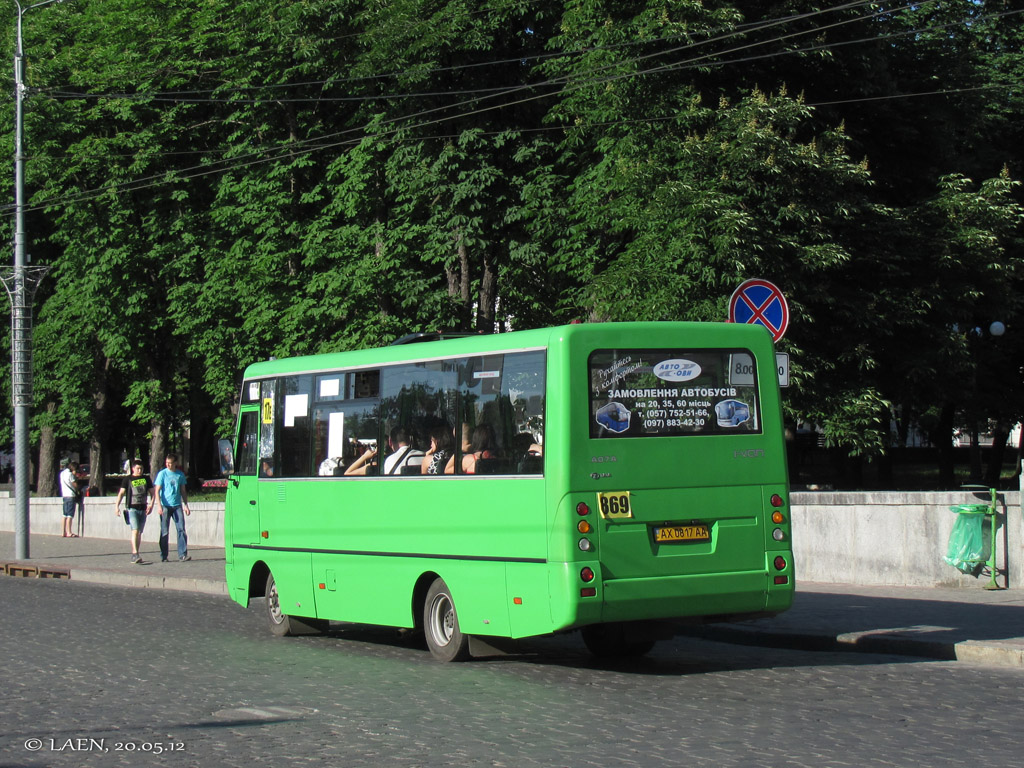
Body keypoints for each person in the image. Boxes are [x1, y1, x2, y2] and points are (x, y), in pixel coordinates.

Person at [114, 460, 154, 564]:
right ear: (133, 468)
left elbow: (152, 493)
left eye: (141, 469)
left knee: (139, 532)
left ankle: (136, 553)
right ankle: (135, 553)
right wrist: (116, 506)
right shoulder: (128, 479)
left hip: (143, 508)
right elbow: (121, 493)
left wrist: (151, 505)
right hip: (132, 508)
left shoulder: (146, 479)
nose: (139, 470)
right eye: (137, 468)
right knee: (135, 530)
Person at [154, 453, 191, 562]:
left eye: (171, 463)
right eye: (167, 463)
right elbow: (157, 491)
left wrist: (186, 505)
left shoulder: (180, 475)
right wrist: (159, 506)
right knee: (164, 531)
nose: (169, 465)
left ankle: (182, 554)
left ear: (175, 463)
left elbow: (183, 491)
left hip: (177, 505)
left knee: (181, 530)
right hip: (165, 505)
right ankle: (164, 555)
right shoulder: (162, 474)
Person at [59, 459, 81, 538]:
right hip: (71, 496)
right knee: (70, 515)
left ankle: (63, 532)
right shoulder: (70, 474)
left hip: (64, 496)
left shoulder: (62, 473)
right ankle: (69, 532)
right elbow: (74, 484)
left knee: (64, 515)